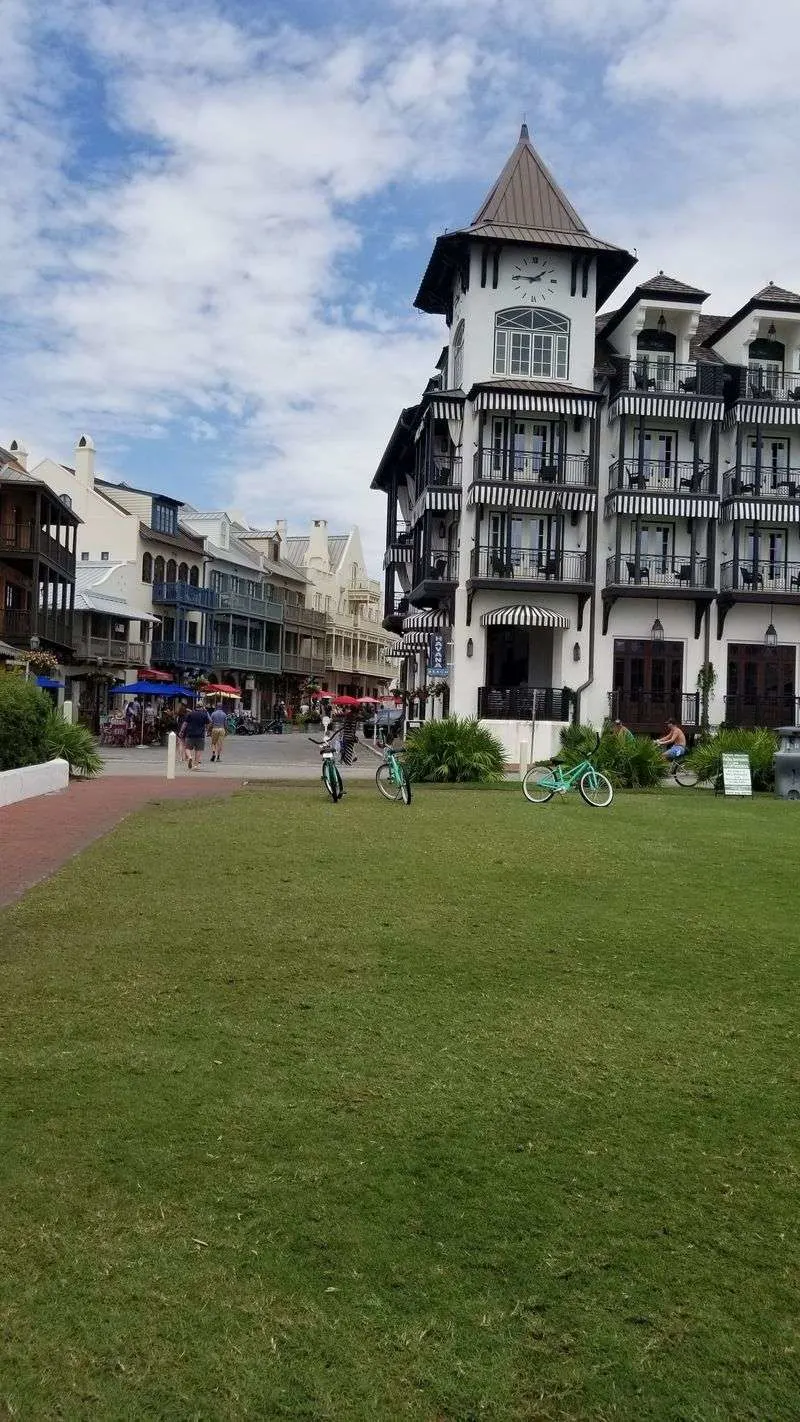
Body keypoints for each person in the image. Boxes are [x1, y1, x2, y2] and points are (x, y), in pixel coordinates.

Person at [180, 701, 211, 770]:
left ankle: (190, 757)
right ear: (202, 707)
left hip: (190, 734)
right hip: (200, 735)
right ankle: (196, 766)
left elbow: (185, 723)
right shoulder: (204, 715)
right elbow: (208, 723)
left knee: (187, 748)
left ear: (196, 707)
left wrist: (181, 731)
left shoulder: (190, 714)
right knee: (199, 750)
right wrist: (207, 730)